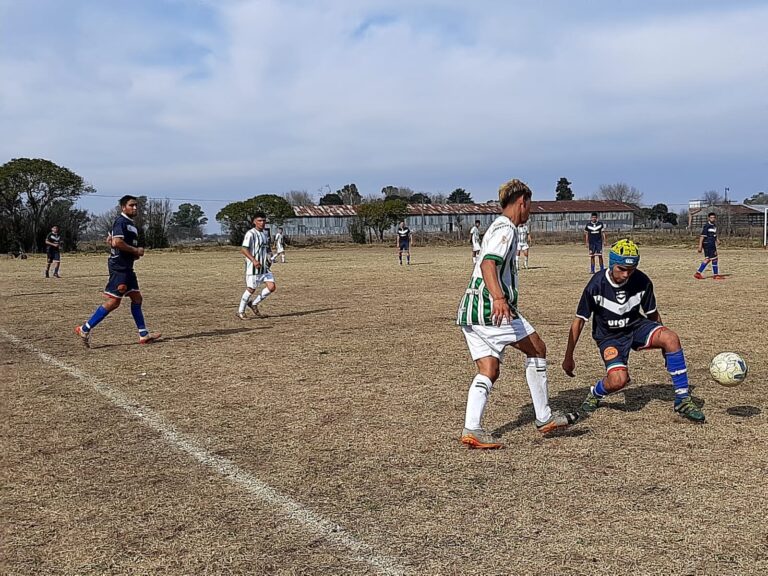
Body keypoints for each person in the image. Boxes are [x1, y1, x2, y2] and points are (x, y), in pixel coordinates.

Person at [457, 179, 578, 449]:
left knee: (489, 370)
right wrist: (499, 298)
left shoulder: (496, 226)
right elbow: (489, 263)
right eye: (530, 205)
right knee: (537, 348)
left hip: (470, 310)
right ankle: (544, 417)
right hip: (490, 308)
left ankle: (472, 428)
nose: (530, 211)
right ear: (522, 202)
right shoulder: (506, 228)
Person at [562, 239, 705, 423]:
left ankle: (683, 400)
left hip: (636, 326)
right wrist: (568, 357)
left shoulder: (642, 281)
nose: (627, 274)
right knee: (618, 381)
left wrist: (665, 346)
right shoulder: (596, 285)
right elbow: (578, 322)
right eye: (621, 269)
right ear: (612, 264)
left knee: (671, 338)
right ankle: (595, 393)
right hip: (609, 337)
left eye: (631, 269)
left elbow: (653, 315)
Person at [74, 195, 161, 347]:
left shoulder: (131, 225)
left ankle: (143, 335)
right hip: (119, 267)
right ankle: (84, 328)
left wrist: (134, 254)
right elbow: (117, 242)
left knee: (137, 298)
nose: (135, 208)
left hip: (127, 266)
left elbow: (113, 242)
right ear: (123, 207)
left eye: (136, 206)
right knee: (114, 302)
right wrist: (135, 250)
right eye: (131, 205)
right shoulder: (121, 221)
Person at [237, 212, 275, 319]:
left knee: (272, 287)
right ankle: (240, 311)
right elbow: (244, 249)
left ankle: (254, 304)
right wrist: (254, 260)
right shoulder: (250, 234)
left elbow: (267, 248)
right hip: (253, 267)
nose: (262, 223)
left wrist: (269, 257)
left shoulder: (264, 233)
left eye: (263, 220)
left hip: (264, 267)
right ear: (254, 222)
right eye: (259, 220)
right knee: (251, 289)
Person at [695, 212, 724, 280]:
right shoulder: (707, 226)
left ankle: (698, 273)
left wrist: (717, 240)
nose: (712, 219)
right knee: (714, 258)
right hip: (708, 244)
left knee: (708, 259)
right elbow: (702, 236)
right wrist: (700, 246)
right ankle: (715, 275)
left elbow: (713, 234)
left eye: (713, 217)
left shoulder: (714, 226)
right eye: (711, 217)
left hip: (711, 243)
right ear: (708, 218)